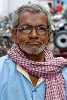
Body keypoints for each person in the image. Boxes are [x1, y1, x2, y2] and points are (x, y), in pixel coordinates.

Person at [0, 4, 67, 100]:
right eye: (26, 28)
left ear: (49, 35)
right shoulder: (1, 70)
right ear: (14, 34)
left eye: (41, 28)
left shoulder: (62, 73)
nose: (34, 35)